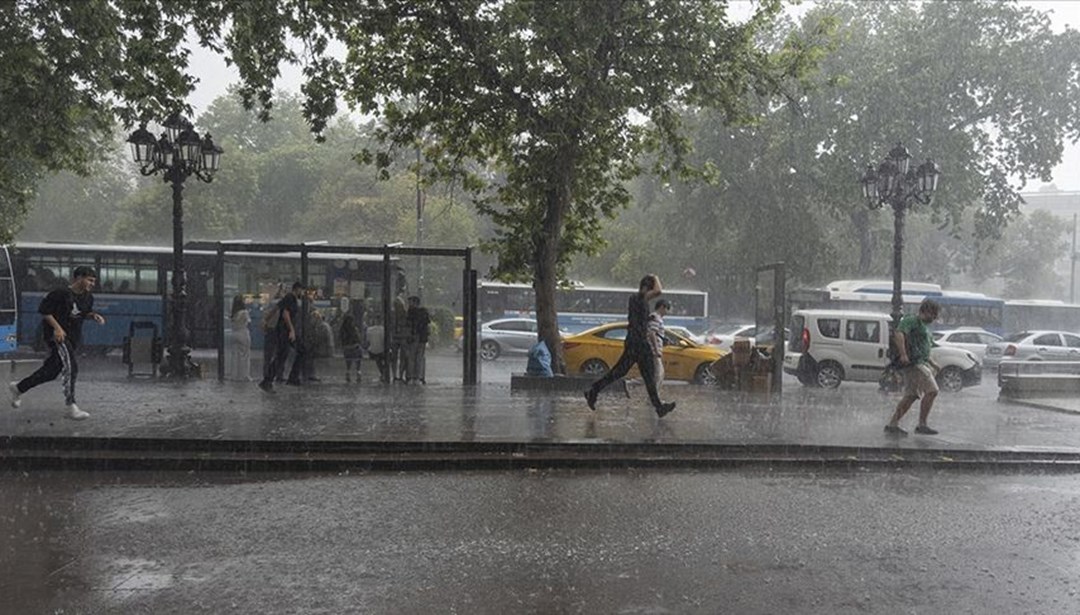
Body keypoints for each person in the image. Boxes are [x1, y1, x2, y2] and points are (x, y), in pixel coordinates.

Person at [9, 266, 105, 419]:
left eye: (94, 281)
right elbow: (45, 311)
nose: (92, 284)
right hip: (58, 337)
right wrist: (57, 328)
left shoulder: (88, 297)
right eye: (90, 280)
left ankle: (19, 387)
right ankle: (70, 406)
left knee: (51, 372)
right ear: (79, 278)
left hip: (73, 338)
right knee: (71, 366)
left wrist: (93, 315)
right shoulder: (60, 293)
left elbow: (82, 313)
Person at [584, 274, 676, 417]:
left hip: (637, 342)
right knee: (636, 374)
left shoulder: (640, 302)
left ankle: (658, 407)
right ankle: (593, 391)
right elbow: (659, 291)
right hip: (637, 343)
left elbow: (640, 322)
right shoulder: (638, 298)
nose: (653, 294)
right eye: (650, 289)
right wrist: (655, 276)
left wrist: (653, 327)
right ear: (645, 288)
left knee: (638, 374)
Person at [885, 299, 942, 437]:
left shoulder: (923, 326)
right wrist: (903, 354)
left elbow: (921, 347)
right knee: (932, 391)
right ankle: (922, 424)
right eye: (933, 315)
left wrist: (932, 362)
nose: (934, 319)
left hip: (919, 362)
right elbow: (898, 334)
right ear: (926, 311)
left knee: (911, 396)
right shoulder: (911, 320)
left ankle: (892, 424)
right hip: (915, 364)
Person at [259, 282, 302, 392]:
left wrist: (266, 320)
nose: (301, 293)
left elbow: (276, 308)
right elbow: (285, 314)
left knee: (297, 351)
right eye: (301, 290)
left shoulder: (287, 298)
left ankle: (289, 378)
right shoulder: (291, 298)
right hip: (285, 331)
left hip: (283, 331)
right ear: (297, 289)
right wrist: (291, 330)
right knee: (282, 355)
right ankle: (268, 381)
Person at [404, 296, 431, 384]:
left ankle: (411, 376)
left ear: (414, 302)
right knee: (420, 357)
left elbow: (408, 324)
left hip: (414, 336)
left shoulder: (411, 312)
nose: (409, 304)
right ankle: (419, 377)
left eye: (410, 302)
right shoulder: (424, 312)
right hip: (422, 338)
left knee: (412, 357)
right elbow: (427, 324)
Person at [647, 299, 671, 391]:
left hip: (654, 350)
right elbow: (652, 334)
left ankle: (654, 397)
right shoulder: (655, 318)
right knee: (659, 374)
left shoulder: (657, 318)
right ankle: (654, 397)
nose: (667, 312)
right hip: (654, 351)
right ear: (662, 307)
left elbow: (655, 334)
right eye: (667, 309)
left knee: (658, 374)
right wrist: (656, 350)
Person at [228, 295, 252, 381]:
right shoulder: (244, 312)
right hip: (243, 333)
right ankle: (244, 375)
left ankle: (234, 376)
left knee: (234, 356)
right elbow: (248, 322)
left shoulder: (233, 313)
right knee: (244, 356)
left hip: (234, 334)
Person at [339, 312, 365, 383]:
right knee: (359, 355)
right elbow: (359, 339)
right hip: (355, 348)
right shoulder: (354, 329)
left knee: (348, 360)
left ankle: (348, 371)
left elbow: (340, 340)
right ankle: (358, 371)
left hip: (346, 349)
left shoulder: (342, 330)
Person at [390, 295, 409, 382]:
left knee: (403, 357)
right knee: (394, 357)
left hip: (402, 337)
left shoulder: (405, 314)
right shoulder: (392, 314)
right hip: (395, 336)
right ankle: (395, 375)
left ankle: (400, 375)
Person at [366, 316, 389, 383]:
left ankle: (382, 373)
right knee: (385, 358)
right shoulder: (384, 329)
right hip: (382, 351)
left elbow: (368, 341)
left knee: (378, 359)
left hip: (372, 351)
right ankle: (384, 372)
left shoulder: (369, 329)